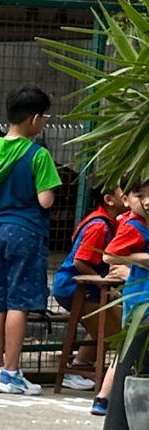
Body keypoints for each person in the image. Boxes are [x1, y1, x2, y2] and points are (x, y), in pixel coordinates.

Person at [0, 87, 63, 395]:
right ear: (35, 119)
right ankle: (12, 372)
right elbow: (45, 200)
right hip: (25, 232)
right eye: (45, 117)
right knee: (18, 304)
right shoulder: (38, 154)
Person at [52, 182, 126, 392]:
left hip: (85, 288)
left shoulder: (109, 222)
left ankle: (80, 364)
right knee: (107, 322)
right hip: (74, 288)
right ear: (109, 200)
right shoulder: (99, 226)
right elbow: (80, 261)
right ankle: (79, 369)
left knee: (101, 321)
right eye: (124, 191)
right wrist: (102, 282)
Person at [95, 178, 149, 416]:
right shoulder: (135, 226)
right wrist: (143, 260)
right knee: (130, 349)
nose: (147, 202)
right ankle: (110, 400)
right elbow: (109, 256)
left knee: (127, 350)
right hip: (140, 299)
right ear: (126, 200)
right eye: (140, 195)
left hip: (139, 294)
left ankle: (105, 398)